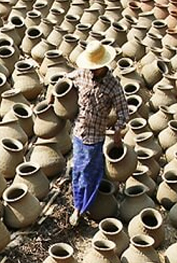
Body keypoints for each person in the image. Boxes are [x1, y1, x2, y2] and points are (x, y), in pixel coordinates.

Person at [63, 41, 130, 226]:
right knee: (78, 169)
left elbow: (124, 112)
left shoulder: (113, 86)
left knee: (89, 172)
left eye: (95, 68)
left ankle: (81, 208)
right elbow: (66, 79)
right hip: (79, 131)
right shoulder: (82, 74)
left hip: (96, 136)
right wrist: (55, 93)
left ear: (104, 65)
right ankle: (78, 202)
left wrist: (117, 131)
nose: (91, 70)